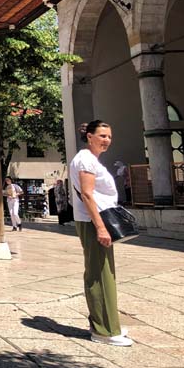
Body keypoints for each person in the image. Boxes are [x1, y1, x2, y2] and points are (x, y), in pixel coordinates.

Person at [70, 120, 133, 347]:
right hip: (93, 221)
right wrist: (101, 227)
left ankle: (106, 323)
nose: (107, 140)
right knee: (100, 274)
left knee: (104, 272)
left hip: (95, 220)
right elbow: (87, 195)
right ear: (89, 136)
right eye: (102, 135)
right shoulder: (85, 159)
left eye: (109, 136)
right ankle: (104, 330)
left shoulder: (90, 159)